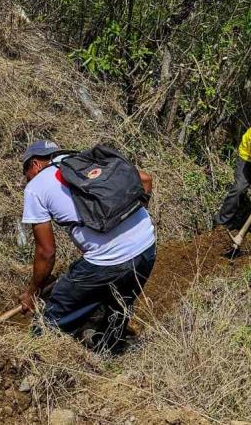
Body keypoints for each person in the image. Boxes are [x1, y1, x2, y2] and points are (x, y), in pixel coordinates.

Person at [18, 140, 156, 352]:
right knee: (119, 305)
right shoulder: (85, 161)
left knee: (55, 316)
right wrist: (126, 218)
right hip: (146, 244)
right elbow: (146, 180)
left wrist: (33, 292)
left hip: (107, 261)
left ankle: (31, 356)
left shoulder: (35, 188)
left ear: (35, 164)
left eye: (25, 172)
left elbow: (46, 252)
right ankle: (109, 352)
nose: (26, 178)